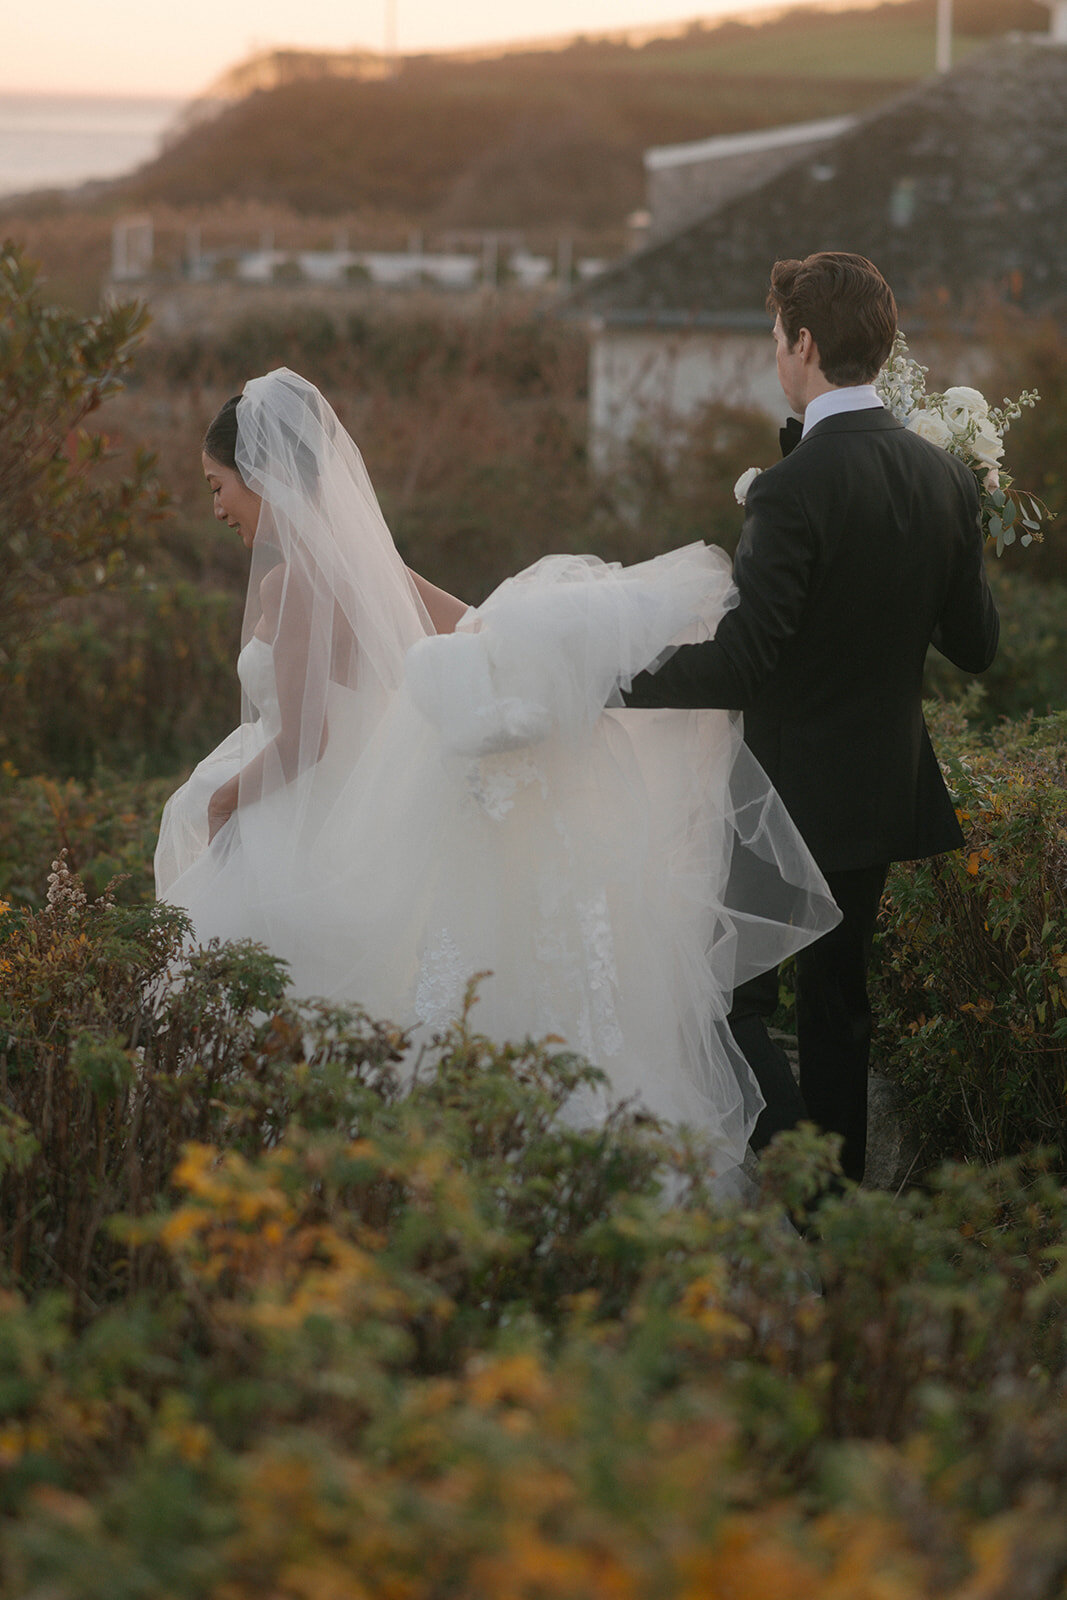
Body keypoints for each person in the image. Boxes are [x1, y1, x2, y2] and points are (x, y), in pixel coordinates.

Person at [156, 367, 839, 1193]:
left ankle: (267, 1173)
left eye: (218, 486)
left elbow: (302, 741)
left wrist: (225, 800)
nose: (217, 507)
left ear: (259, 476)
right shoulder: (376, 573)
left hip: (302, 819)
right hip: (353, 810)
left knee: (262, 992)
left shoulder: (292, 581)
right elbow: (478, 628)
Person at [622, 252, 1000, 1183]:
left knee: (726, 1005)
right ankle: (845, 1238)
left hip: (780, 798)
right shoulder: (944, 478)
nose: (775, 356)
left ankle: (815, 1200)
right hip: (878, 793)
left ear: (803, 342)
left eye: (776, 339)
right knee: (837, 1012)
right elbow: (977, 647)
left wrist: (612, 676)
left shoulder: (793, 487)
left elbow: (746, 661)